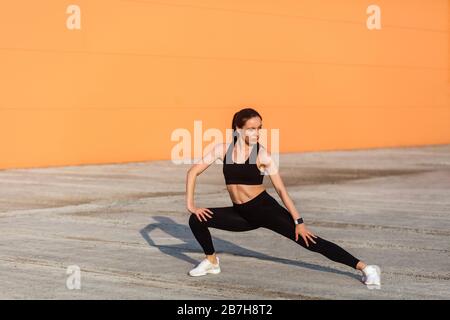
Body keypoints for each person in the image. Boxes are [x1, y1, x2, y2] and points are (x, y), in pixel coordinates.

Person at [185, 108, 380, 288]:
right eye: (251, 129)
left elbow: (281, 190)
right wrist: (191, 205)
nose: (256, 133)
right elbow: (193, 172)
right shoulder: (222, 150)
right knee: (196, 219)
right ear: (238, 129)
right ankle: (212, 262)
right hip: (241, 214)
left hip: (265, 210)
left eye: (259, 128)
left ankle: (366, 268)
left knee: (310, 242)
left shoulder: (263, 155)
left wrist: (299, 222)